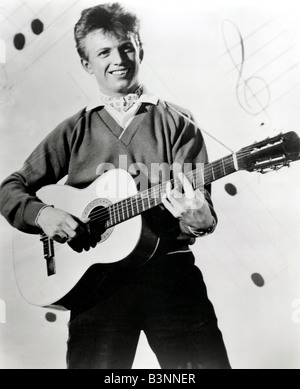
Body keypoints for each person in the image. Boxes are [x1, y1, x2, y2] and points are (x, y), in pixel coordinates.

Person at [0, 3, 231, 369]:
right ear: (87, 64)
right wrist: (43, 214)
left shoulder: (178, 121)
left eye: (126, 47)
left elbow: (199, 210)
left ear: (140, 48)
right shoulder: (75, 129)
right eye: (103, 52)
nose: (118, 59)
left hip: (170, 274)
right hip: (96, 285)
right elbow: (9, 188)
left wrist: (199, 219)